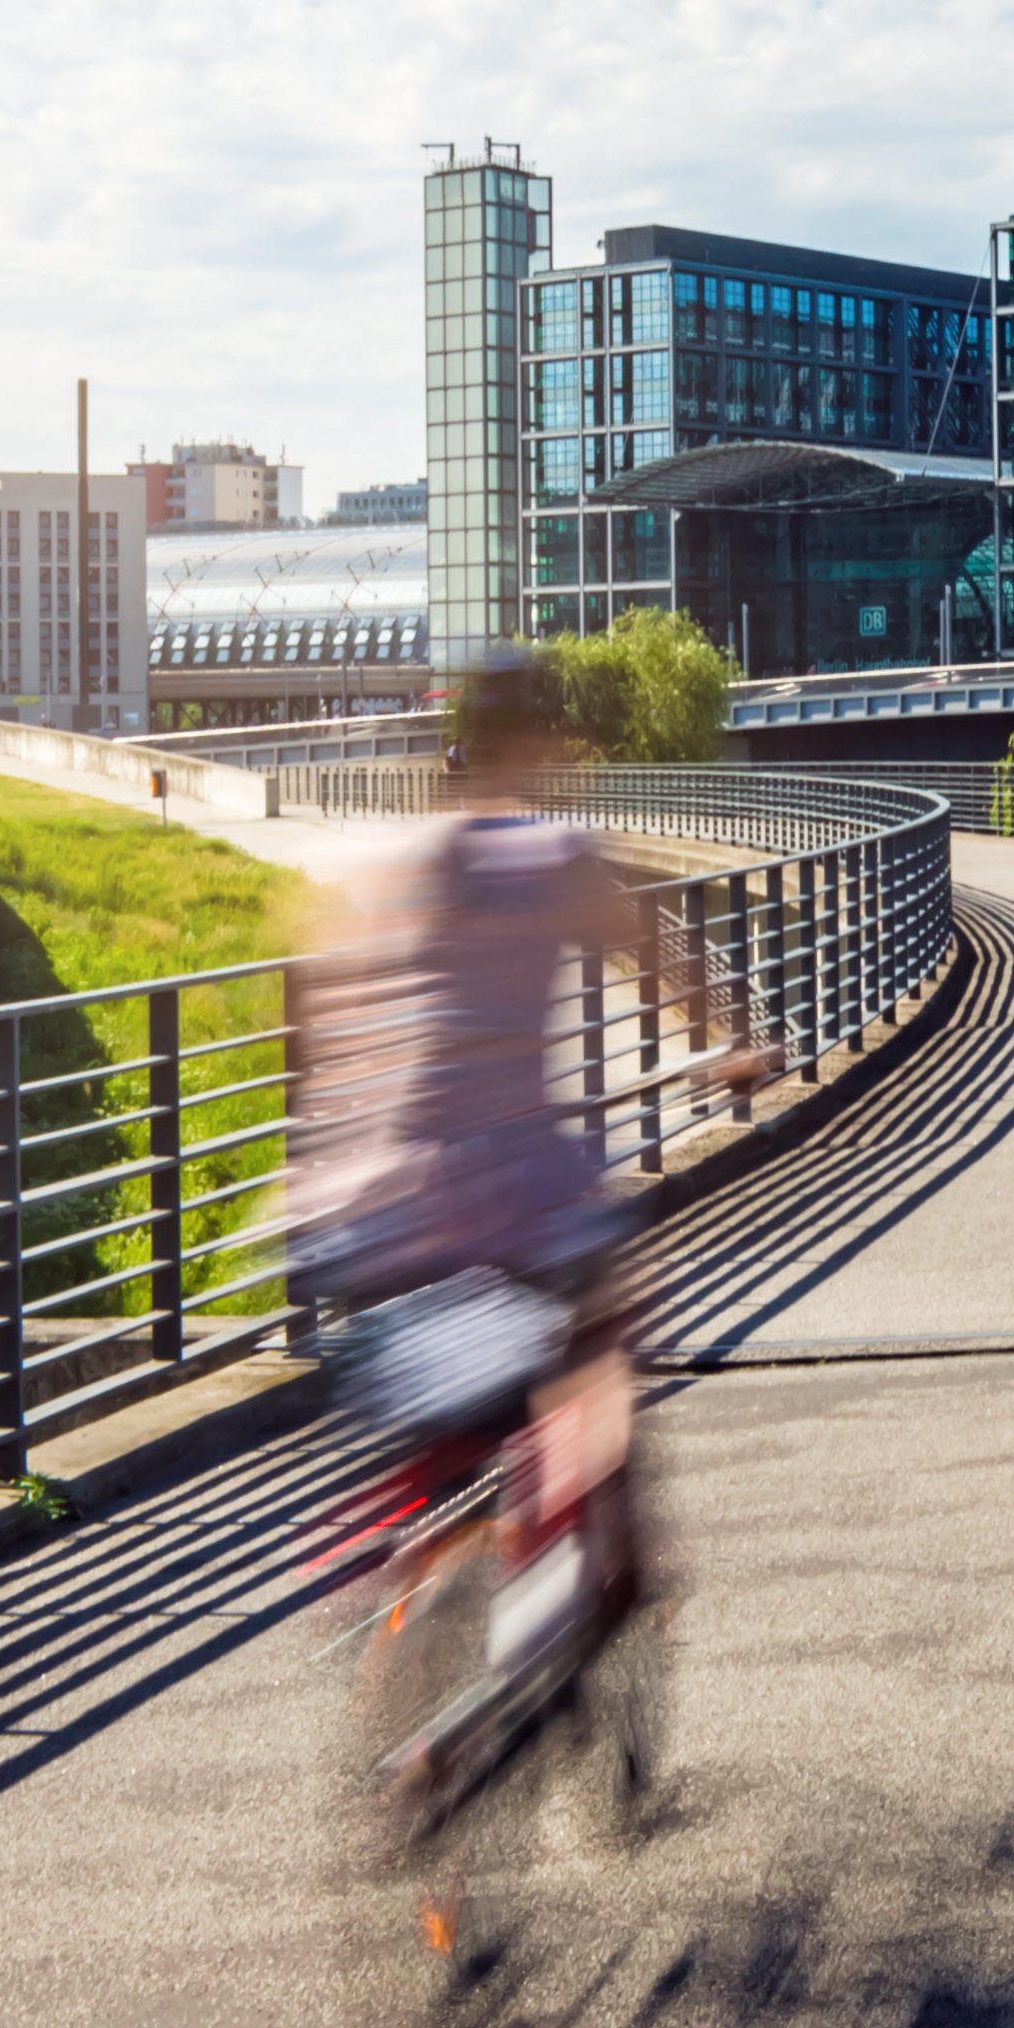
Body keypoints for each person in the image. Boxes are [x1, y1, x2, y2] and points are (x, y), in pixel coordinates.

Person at [286, 655, 696, 1607]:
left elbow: (322, 1005)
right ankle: (601, 1559)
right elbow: (660, 958)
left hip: (376, 1200)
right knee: (606, 1328)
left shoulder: (392, 860)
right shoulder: (552, 855)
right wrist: (743, 1043)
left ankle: (413, 1554)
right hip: (518, 1189)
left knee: (455, 1397)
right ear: (544, 744)